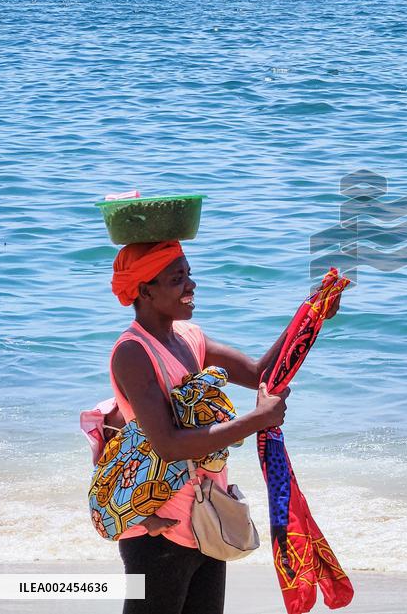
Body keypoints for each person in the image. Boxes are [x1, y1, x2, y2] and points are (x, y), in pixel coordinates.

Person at [107, 240, 339, 614]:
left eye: (189, 275)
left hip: (208, 514)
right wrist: (256, 420)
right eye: (177, 278)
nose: (191, 286)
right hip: (159, 526)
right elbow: (168, 443)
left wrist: (310, 317)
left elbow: (260, 374)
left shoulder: (189, 338)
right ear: (146, 291)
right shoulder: (133, 352)